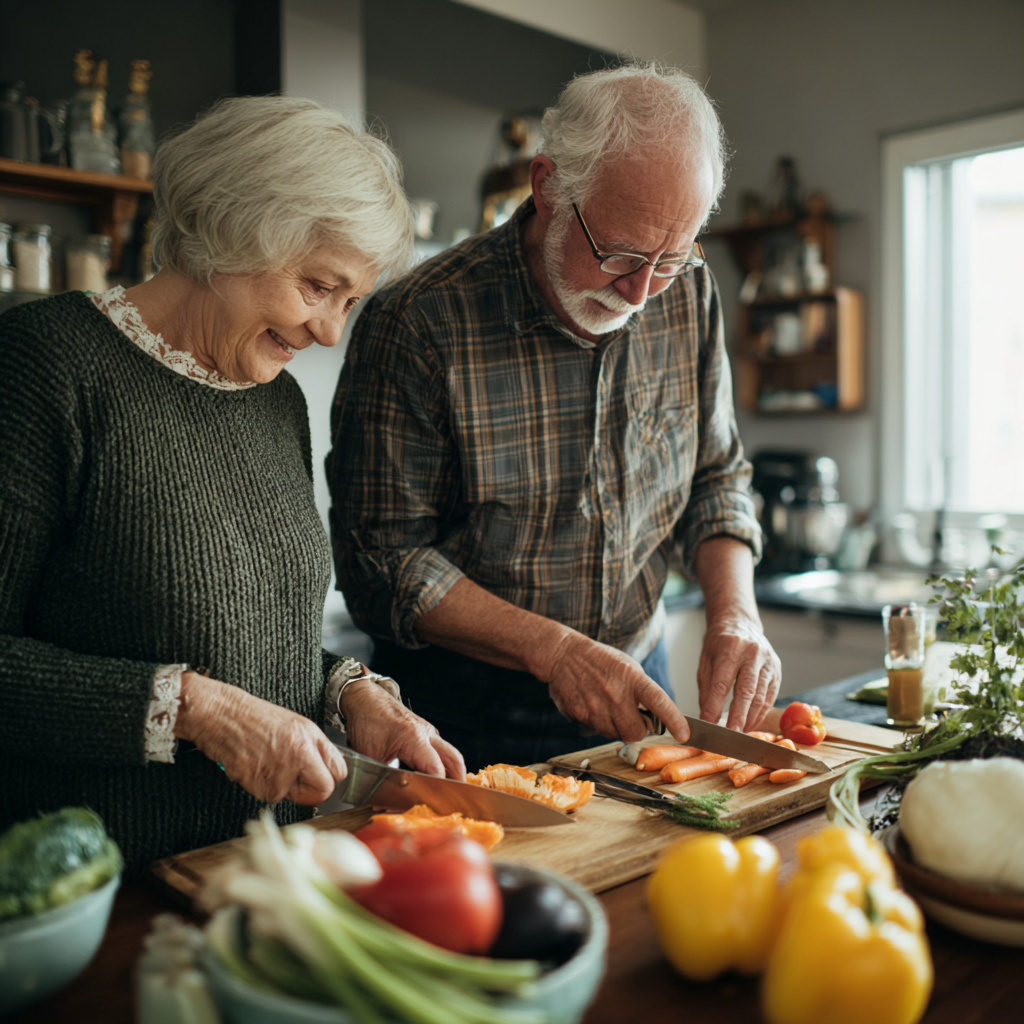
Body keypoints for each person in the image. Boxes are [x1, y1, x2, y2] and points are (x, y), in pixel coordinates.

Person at [0, 96, 464, 874]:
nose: (329, 333)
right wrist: (189, 709)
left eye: (351, 301)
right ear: (231, 228)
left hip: (263, 881)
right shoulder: (44, 370)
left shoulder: (278, 403)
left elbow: (250, 637)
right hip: (98, 896)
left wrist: (351, 696)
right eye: (319, 286)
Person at [328, 64, 781, 771]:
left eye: (668, 260)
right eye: (622, 255)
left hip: (641, 675)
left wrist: (735, 612)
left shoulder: (688, 294)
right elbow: (381, 562)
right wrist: (555, 650)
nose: (639, 292)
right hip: (464, 712)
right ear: (547, 187)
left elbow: (716, 477)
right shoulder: (418, 321)